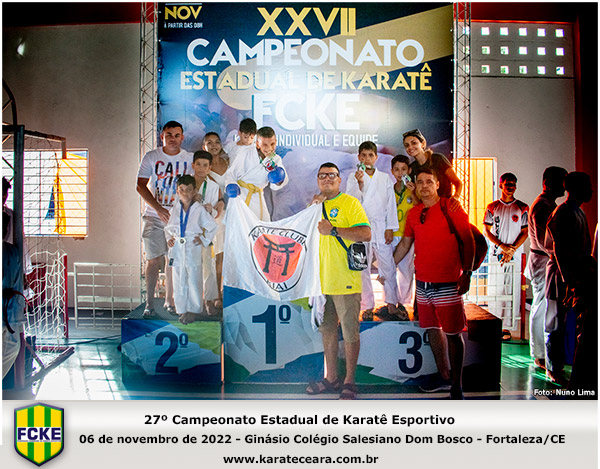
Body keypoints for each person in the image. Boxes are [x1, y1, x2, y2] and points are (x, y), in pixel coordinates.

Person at [394, 169, 475, 399]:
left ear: (438, 184)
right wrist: (385, 267)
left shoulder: (452, 208)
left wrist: (467, 273)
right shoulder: (414, 213)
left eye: (429, 181)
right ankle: (444, 375)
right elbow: (405, 245)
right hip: (423, 284)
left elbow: (468, 241)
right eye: (420, 182)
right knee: (432, 330)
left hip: (448, 282)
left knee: (453, 334)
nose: (424, 186)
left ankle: (457, 385)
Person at [306, 163, 371, 400]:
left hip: (345, 280)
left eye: (331, 175)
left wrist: (334, 230)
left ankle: (349, 381)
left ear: (339, 179)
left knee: (350, 332)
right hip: (321, 283)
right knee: (327, 331)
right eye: (322, 175)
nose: (327, 179)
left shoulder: (350, 203)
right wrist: (312, 209)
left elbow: (365, 233)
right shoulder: (314, 206)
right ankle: (331, 378)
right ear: (317, 180)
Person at [136, 120, 193, 317]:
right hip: (154, 216)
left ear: (182, 137)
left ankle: (171, 301)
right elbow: (140, 185)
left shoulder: (189, 159)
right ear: (162, 136)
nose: (173, 139)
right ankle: (149, 304)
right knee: (153, 260)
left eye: (177, 135)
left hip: (177, 219)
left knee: (173, 260)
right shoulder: (152, 156)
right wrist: (158, 209)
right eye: (169, 135)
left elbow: (196, 186)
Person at [544, 171, 595, 387]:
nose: (591, 190)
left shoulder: (577, 211)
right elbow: (561, 251)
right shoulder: (564, 212)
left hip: (574, 277)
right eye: (588, 186)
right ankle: (553, 368)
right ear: (576, 189)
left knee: (568, 324)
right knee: (556, 323)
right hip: (563, 278)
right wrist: (568, 282)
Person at [346, 141, 400, 320]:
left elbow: (390, 204)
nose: (367, 159)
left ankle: (391, 302)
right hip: (361, 225)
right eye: (364, 155)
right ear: (358, 157)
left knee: (388, 265)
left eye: (370, 155)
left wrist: (390, 227)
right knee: (362, 267)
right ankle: (367, 305)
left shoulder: (384, 178)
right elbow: (352, 202)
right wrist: (360, 183)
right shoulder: (353, 177)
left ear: (376, 157)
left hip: (380, 225)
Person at [524, 166, 567, 370]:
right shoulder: (542, 206)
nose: (564, 186)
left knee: (543, 307)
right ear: (548, 183)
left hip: (544, 260)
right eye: (561, 182)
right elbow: (545, 242)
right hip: (542, 260)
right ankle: (539, 354)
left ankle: (541, 353)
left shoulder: (548, 204)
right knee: (541, 308)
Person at [164, 175, 218, 325]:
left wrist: (204, 239)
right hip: (178, 246)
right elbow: (168, 228)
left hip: (192, 245)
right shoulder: (175, 209)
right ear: (177, 191)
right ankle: (181, 309)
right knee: (179, 278)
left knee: (194, 278)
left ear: (194, 191)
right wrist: (169, 239)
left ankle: (193, 310)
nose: (185, 193)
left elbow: (212, 226)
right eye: (182, 189)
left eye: (189, 190)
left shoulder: (199, 209)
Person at [483, 173, 529, 334]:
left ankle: (508, 327)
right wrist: (502, 246)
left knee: (512, 291)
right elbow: (487, 231)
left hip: (514, 256)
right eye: (508, 183)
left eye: (513, 184)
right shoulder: (492, 207)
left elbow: (525, 232)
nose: (511, 187)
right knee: (496, 290)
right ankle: (495, 325)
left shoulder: (522, 207)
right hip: (497, 254)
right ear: (501, 185)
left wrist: (512, 249)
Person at [224, 126, 288, 221]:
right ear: (258, 144)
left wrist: (279, 179)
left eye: (272, 144)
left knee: (262, 226)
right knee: (239, 225)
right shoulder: (245, 153)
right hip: (241, 196)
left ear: (276, 142)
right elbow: (231, 174)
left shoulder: (276, 159)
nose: (269, 148)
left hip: (258, 198)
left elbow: (278, 184)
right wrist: (230, 185)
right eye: (265, 145)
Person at [191, 150, 225, 315]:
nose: (201, 168)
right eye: (198, 164)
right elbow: (177, 205)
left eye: (205, 165)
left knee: (209, 267)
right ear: (193, 165)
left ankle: (209, 301)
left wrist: (211, 210)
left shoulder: (213, 187)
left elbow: (216, 213)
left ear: (210, 167)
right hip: (189, 233)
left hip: (205, 233)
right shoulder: (185, 184)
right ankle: (192, 303)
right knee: (190, 268)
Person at [388, 155, 418, 317]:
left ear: (409, 170)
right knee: (389, 268)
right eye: (397, 170)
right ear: (392, 171)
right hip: (390, 235)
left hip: (407, 236)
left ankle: (403, 303)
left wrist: (413, 192)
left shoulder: (413, 190)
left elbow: (419, 208)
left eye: (404, 169)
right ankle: (390, 302)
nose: (400, 173)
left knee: (406, 270)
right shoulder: (388, 190)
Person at [203, 132, 229, 308]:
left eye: (217, 142)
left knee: (226, 255)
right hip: (213, 215)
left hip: (232, 213)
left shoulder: (229, 163)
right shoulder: (203, 167)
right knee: (215, 255)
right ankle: (214, 295)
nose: (214, 146)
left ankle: (225, 291)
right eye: (209, 143)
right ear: (203, 146)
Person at [403, 129, 462, 201]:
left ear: (423, 143)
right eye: (407, 145)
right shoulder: (412, 167)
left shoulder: (438, 159)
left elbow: (457, 182)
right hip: (425, 206)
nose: (410, 147)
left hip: (444, 205)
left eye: (414, 143)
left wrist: (456, 197)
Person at [3, 212, 26, 379]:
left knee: (12, 348)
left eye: (5, 227)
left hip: (10, 313)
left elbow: (18, 280)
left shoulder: (12, 252)